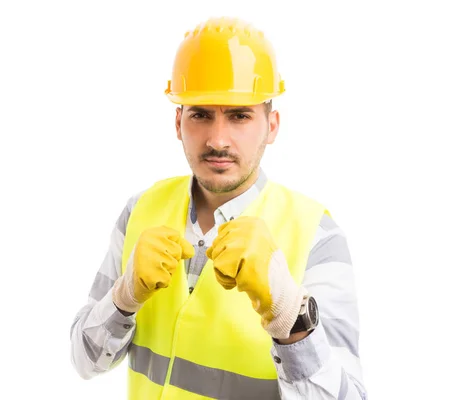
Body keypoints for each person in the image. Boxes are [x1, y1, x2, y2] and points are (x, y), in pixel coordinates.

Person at [70, 16, 367, 400]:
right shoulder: (140, 210)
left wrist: (289, 313)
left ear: (272, 126)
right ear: (178, 121)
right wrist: (123, 297)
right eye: (201, 115)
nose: (218, 139)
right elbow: (84, 361)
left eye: (239, 115)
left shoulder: (316, 236)